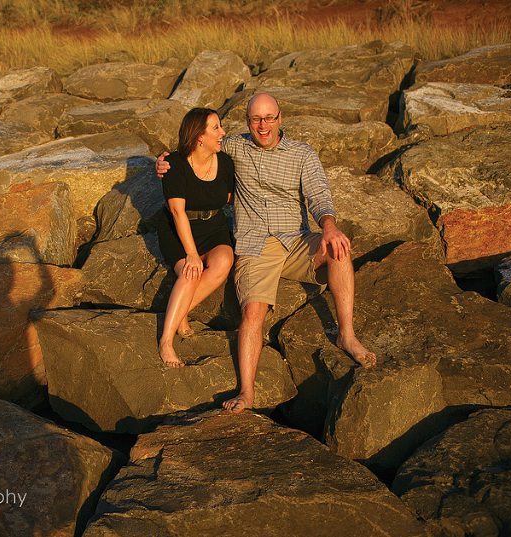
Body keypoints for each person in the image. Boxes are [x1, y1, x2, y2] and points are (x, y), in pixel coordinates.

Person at [156, 93, 375, 410]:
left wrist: (329, 226)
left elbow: (318, 194)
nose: (263, 125)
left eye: (269, 118)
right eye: (256, 119)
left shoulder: (302, 153)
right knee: (252, 313)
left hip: (297, 239)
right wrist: (163, 161)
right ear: (247, 122)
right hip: (255, 244)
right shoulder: (232, 146)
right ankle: (247, 391)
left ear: (280, 117)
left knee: (339, 249)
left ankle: (347, 335)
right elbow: (193, 149)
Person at [156, 107, 235, 368]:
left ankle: (181, 314)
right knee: (191, 273)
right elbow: (177, 212)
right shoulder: (175, 164)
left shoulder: (224, 162)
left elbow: (229, 198)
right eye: (216, 127)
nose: (222, 132)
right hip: (179, 230)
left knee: (224, 260)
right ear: (199, 136)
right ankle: (166, 341)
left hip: (214, 227)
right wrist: (190, 254)